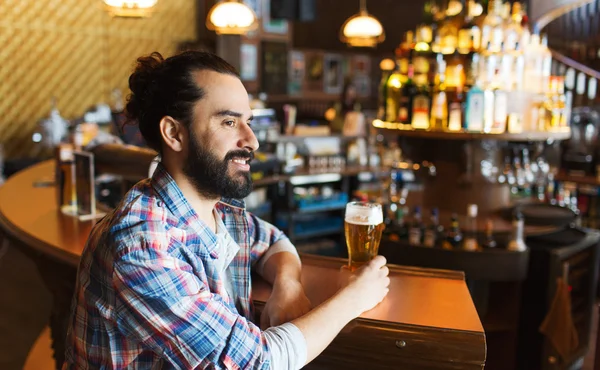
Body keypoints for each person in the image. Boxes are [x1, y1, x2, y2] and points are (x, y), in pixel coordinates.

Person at [63, 50, 390, 369]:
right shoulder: (142, 247)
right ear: (174, 133)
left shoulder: (215, 209)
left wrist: (287, 284)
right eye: (229, 122)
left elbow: (274, 241)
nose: (252, 141)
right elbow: (259, 362)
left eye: (247, 122)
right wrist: (354, 297)